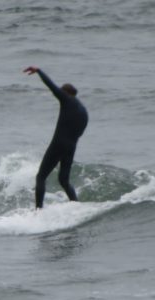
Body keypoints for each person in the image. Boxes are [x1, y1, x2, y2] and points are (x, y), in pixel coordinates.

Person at [24, 66, 88, 209]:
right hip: (71, 146)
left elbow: (51, 86)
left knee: (40, 177)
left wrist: (39, 71)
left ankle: (38, 211)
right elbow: (80, 133)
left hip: (59, 143)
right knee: (64, 180)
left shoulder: (66, 99)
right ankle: (76, 206)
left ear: (66, 93)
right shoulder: (84, 111)